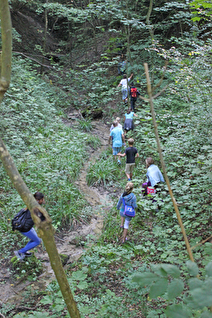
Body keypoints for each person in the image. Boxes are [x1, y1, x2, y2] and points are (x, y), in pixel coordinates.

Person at [14, 192, 44, 260]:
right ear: (39, 200)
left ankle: (24, 251)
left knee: (35, 239)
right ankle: (20, 252)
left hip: (25, 226)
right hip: (25, 228)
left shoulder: (31, 204)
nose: (43, 201)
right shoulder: (35, 208)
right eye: (43, 199)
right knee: (37, 241)